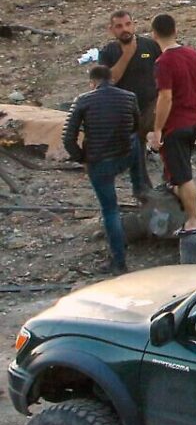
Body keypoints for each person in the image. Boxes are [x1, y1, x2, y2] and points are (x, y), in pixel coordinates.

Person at [63, 65, 140, 273]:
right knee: (137, 141)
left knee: (110, 210)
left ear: (92, 82)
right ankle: (139, 184)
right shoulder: (129, 97)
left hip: (99, 162)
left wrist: (81, 158)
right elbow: (136, 126)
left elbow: (68, 138)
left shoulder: (83, 100)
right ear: (111, 79)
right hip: (123, 157)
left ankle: (119, 262)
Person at [148, 14, 196, 236]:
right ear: (175, 30)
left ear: (154, 34)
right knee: (179, 169)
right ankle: (185, 205)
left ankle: (194, 220)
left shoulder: (163, 62)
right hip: (195, 118)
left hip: (176, 124)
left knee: (183, 175)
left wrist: (158, 129)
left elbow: (166, 97)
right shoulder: (193, 54)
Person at [99, 10, 160, 193]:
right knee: (135, 148)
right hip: (124, 111)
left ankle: (173, 183)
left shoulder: (150, 46)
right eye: (119, 26)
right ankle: (143, 190)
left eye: (127, 24)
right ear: (111, 30)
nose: (124, 29)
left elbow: (164, 73)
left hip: (151, 105)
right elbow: (108, 81)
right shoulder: (108, 52)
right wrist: (127, 55)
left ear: (134, 25)